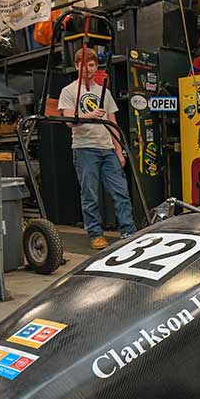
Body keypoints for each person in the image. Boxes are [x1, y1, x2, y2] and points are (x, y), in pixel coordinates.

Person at [58, 47, 136, 250]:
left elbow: (113, 123)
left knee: (121, 192)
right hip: (84, 149)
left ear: (96, 66)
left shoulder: (104, 92)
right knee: (89, 194)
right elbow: (68, 121)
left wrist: (119, 151)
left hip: (107, 148)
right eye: (83, 65)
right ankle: (95, 234)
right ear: (77, 66)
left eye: (91, 65)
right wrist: (89, 115)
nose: (88, 69)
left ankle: (128, 231)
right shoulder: (69, 91)